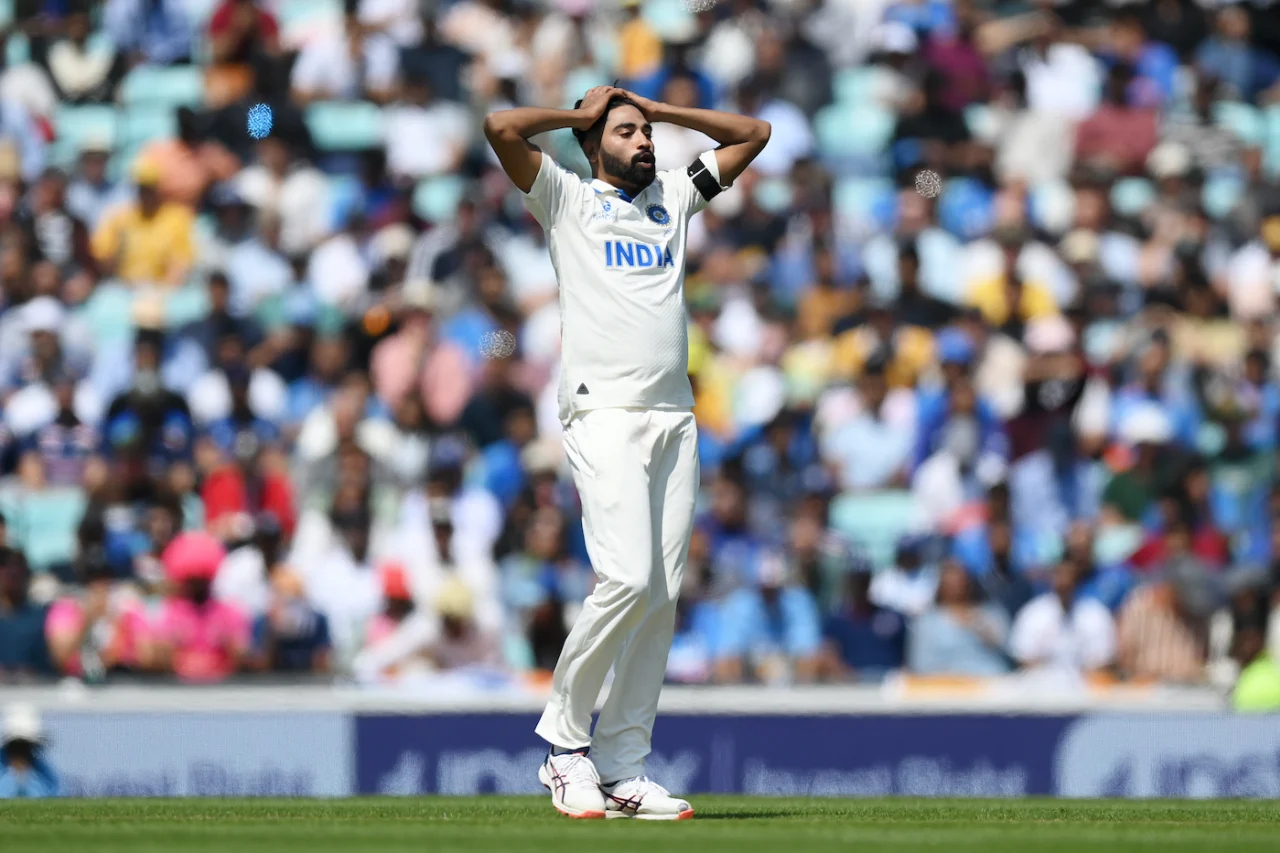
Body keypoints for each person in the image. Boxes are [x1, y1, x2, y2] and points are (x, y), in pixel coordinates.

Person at [484, 84, 769, 819]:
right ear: (592, 143)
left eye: (645, 133)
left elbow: (754, 132)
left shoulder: (673, 196)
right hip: (602, 411)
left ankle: (623, 767)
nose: (643, 142)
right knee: (626, 576)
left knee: (661, 594)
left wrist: (663, 112)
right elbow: (501, 125)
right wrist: (579, 118)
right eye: (626, 132)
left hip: (674, 414)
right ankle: (564, 746)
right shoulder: (566, 199)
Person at [0, 705, 58, 799]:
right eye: (16, 747)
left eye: (25, 747)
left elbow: (55, 790)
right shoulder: (3, 770)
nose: (21, 754)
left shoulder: (40, 768)